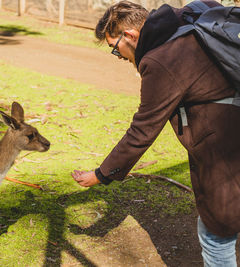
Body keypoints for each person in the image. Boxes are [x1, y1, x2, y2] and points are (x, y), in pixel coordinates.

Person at [71, 1, 240, 266]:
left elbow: (142, 130)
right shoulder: (189, 17)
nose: (120, 58)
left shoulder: (161, 59)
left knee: (216, 235)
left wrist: (101, 174)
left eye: (116, 51)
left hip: (223, 148)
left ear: (130, 36)